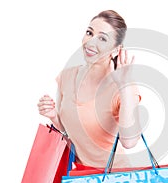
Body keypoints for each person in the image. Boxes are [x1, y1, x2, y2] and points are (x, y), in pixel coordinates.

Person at [37, 10, 141, 168]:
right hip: (81, 178)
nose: (91, 42)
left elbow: (129, 142)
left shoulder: (124, 88)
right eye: (89, 33)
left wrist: (124, 87)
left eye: (102, 38)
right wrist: (53, 116)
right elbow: (70, 133)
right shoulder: (66, 77)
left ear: (116, 49)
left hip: (117, 179)